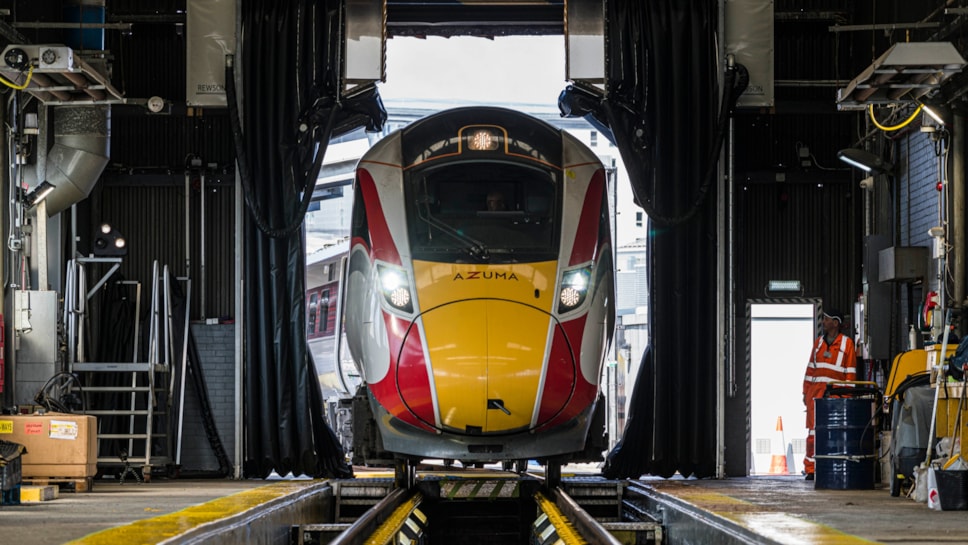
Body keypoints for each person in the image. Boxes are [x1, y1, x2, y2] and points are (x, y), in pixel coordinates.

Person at [802, 307, 856, 481]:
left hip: (837, 397)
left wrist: (846, 398)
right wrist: (805, 393)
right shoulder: (818, 343)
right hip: (815, 396)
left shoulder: (847, 344)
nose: (823, 322)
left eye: (826, 319)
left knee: (835, 433)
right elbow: (810, 370)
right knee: (812, 434)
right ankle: (811, 468)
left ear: (835, 323)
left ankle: (833, 467)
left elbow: (850, 373)